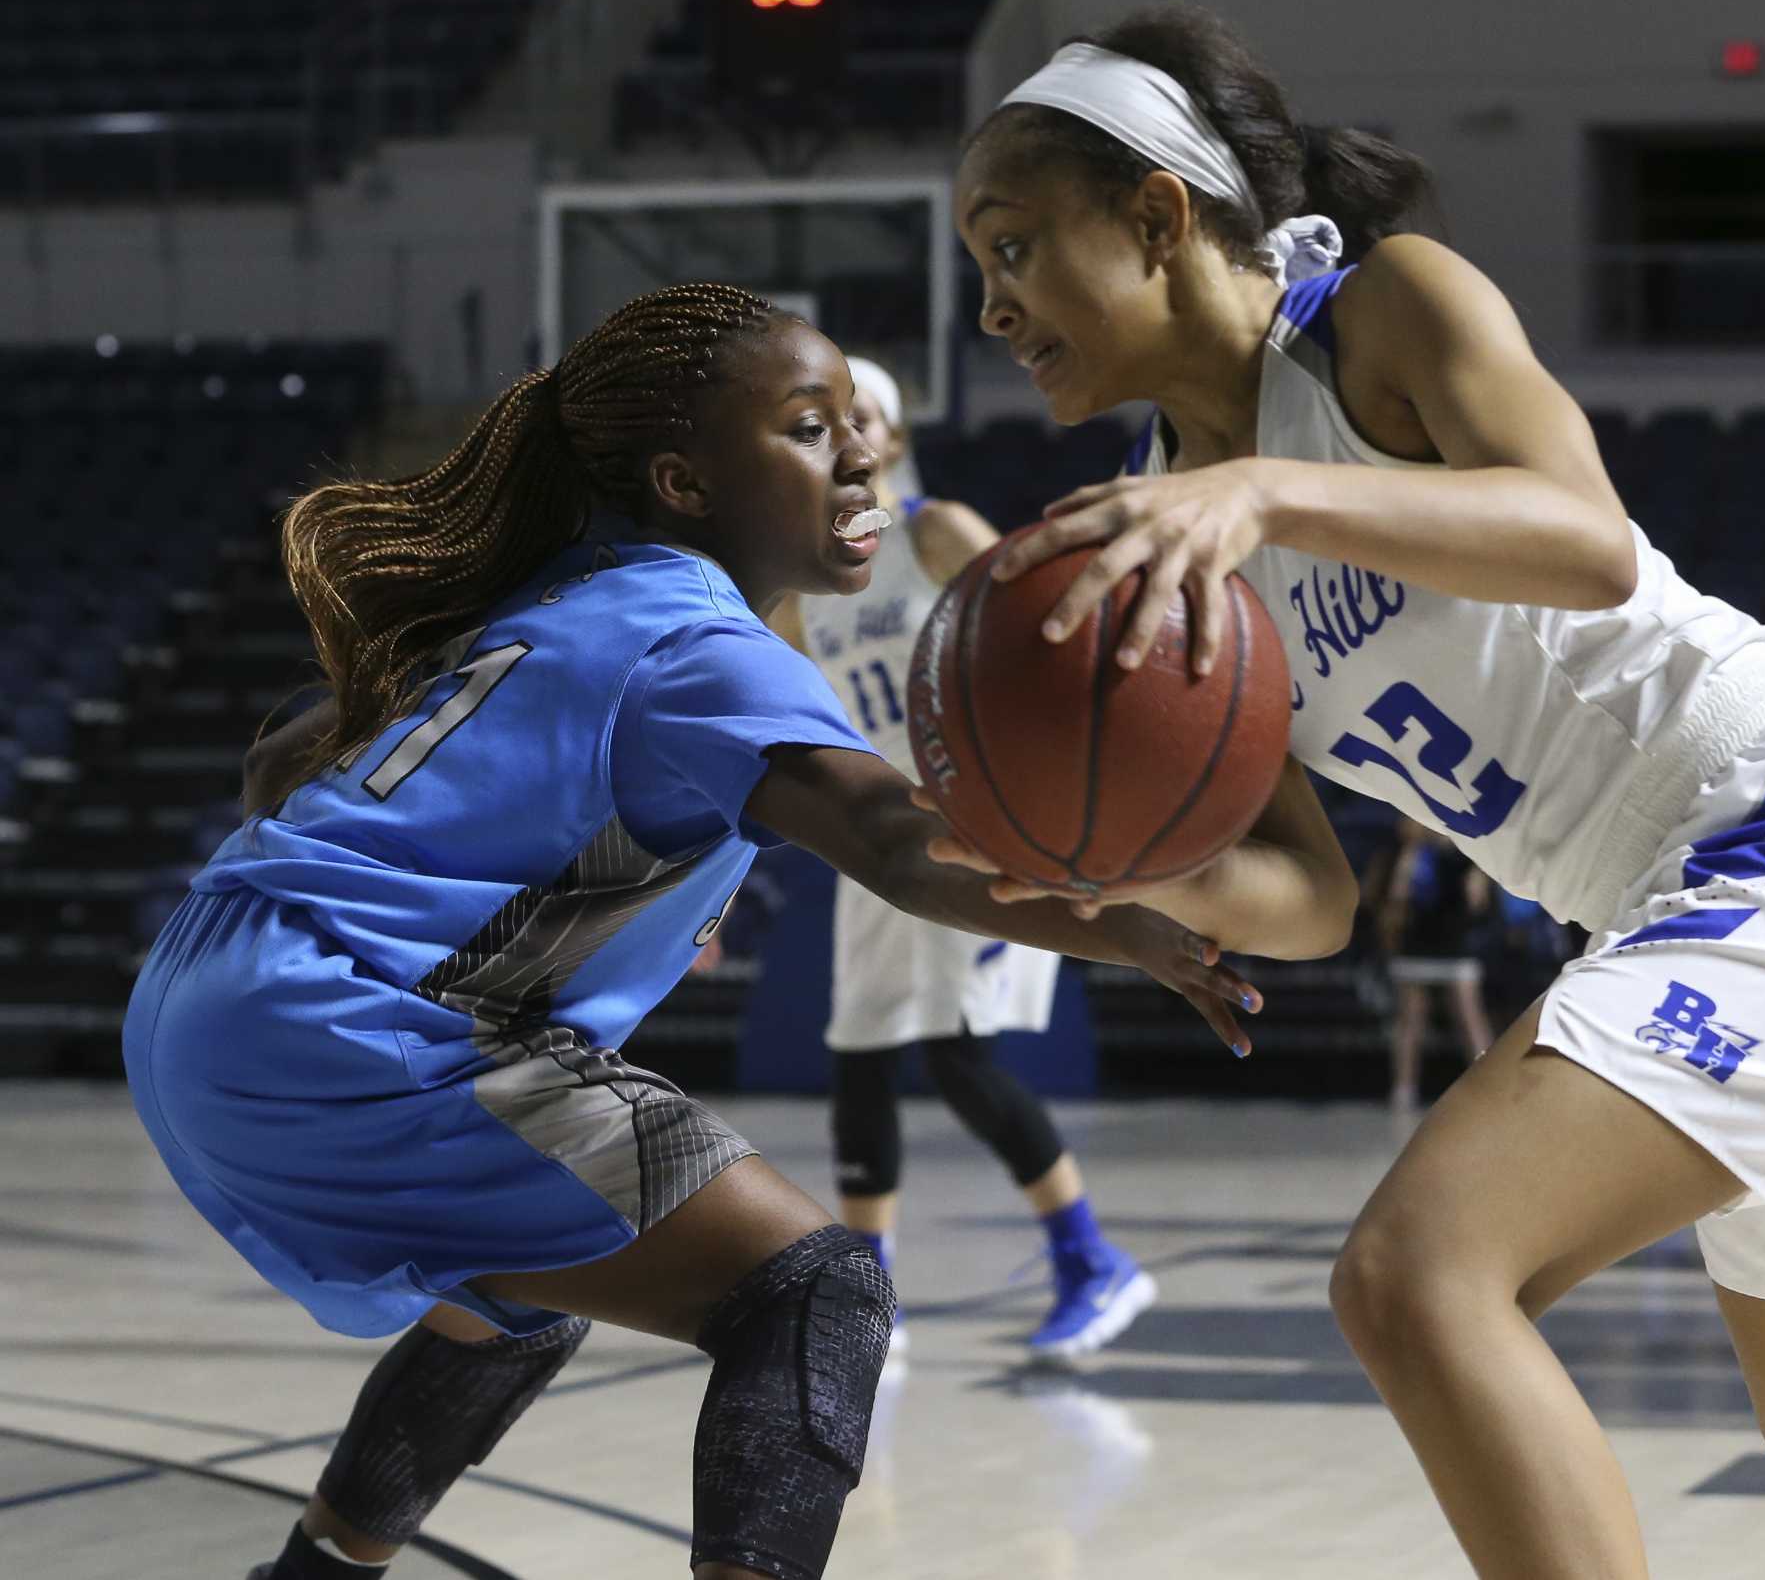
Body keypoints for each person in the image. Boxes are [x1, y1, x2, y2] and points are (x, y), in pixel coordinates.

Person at [940, 7, 1765, 1577]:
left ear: (1157, 214)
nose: (991, 304)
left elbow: (1585, 538)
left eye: (1014, 244)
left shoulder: (1379, 311)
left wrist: (1264, 486)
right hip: (1675, 908)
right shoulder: (1167, 528)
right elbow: (1312, 899)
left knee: (1416, 1274)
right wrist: (1104, 861)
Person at [121, 282, 1274, 1580]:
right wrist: (1135, 921)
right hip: (353, 1025)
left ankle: (315, 1571)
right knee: (816, 1288)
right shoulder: (698, 640)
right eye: (804, 424)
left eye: (856, 416)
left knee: (517, 1294)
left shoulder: (564, 597)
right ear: (685, 478)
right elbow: (896, 841)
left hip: (207, 983)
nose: (860, 446)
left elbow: (278, 767)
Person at [768, 356, 1155, 1360]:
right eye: (813, 430)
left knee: (955, 1053)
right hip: (874, 838)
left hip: (973, 826)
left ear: (890, 440)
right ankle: (866, 1293)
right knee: (858, 1053)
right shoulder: (806, 594)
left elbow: (1049, 632)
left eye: (855, 424)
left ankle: (1090, 1261)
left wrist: (1048, 778)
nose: (837, 446)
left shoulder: (932, 529)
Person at [1379, 817, 1492, 1112]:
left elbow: (1476, 901)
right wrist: (1410, 853)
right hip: (1417, 942)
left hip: (1455, 942)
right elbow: (1395, 899)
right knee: (1411, 1018)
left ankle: (1491, 1083)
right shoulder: (1406, 854)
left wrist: (1475, 873)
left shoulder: (1463, 856)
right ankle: (1404, 1088)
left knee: (1469, 1015)